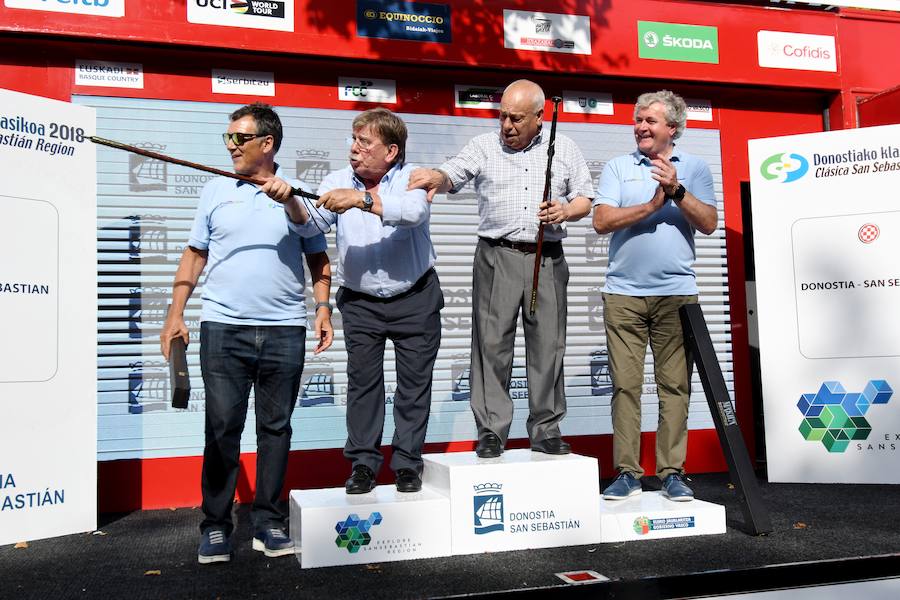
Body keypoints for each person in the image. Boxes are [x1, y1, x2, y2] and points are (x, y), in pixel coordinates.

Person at [160, 102, 333, 564]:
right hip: (223, 330)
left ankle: (269, 522)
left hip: (283, 333)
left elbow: (317, 258)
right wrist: (175, 314)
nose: (231, 146)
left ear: (267, 143)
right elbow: (194, 254)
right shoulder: (215, 191)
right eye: (228, 138)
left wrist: (322, 308)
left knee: (276, 430)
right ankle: (216, 526)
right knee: (220, 429)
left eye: (240, 138)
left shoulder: (298, 197)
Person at [408, 79, 593, 459]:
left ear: (540, 118)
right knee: (491, 345)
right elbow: (454, 172)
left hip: (548, 256)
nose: (507, 125)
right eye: (503, 116)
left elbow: (586, 198)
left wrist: (565, 210)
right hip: (497, 255)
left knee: (549, 346)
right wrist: (436, 178)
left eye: (517, 118)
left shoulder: (566, 147)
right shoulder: (484, 145)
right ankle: (492, 429)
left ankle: (546, 428)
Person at [264, 107, 442, 495]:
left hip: (416, 297)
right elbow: (309, 223)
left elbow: (412, 213)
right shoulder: (336, 180)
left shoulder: (414, 178)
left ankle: (408, 464)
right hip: (361, 302)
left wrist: (360, 200)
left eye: (365, 142)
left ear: (391, 151)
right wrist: (290, 200)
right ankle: (363, 464)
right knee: (363, 384)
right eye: (354, 139)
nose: (354, 148)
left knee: (414, 385)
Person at [593, 90, 717, 502]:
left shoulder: (695, 168)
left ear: (673, 129)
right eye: (639, 120)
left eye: (651, 121)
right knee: (625, 387)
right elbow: (601, 220)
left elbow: (709, 223)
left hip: (677, 296)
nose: (641, 128)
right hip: (623, 296)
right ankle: (627, 472)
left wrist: (677, 192)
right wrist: (650, 206)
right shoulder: (617, 166)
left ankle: (672, 473)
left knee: (675, 387)